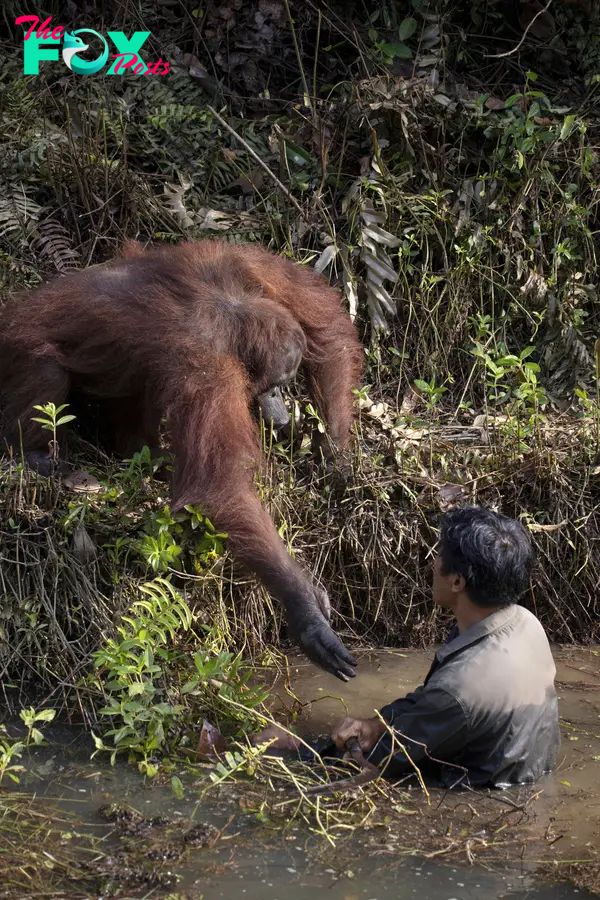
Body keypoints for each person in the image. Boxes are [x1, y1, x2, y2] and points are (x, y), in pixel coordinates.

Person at [255, 506, 560, 790]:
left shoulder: (457, 690)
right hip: (528, 775)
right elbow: (429, 707)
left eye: (440, 554)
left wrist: (297, 748)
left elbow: (375, 763)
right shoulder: (525, 622)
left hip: (477, 795)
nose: (433, 562)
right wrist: (378, 723)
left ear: (457, 582)